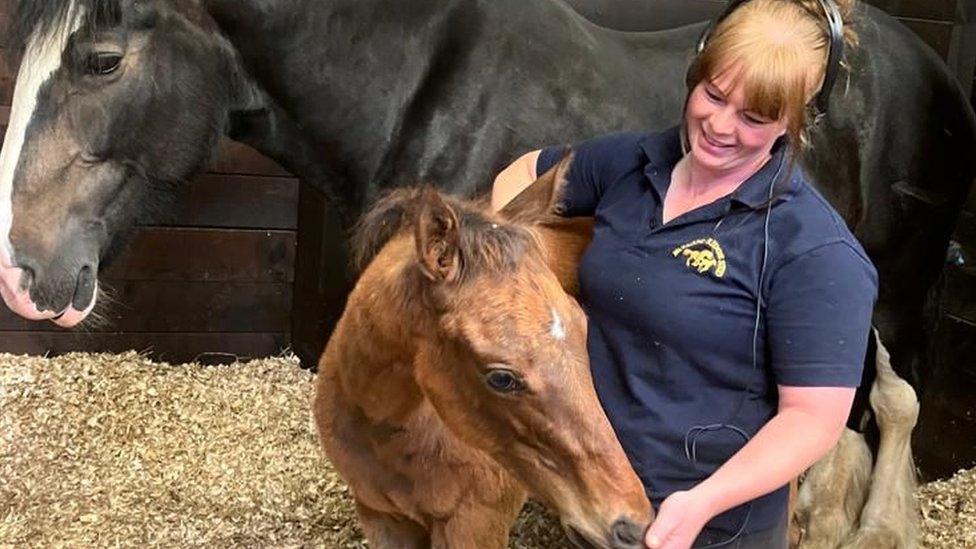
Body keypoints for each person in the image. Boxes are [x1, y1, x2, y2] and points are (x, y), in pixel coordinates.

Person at [491, 0, 876, 547]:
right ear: (695, 70)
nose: (719, 126)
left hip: (709, 524)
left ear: (794, 120)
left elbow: (812, 419)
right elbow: (526, 171)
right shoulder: (632, 162)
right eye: (713, 95)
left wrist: (703, 502)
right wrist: (512, 269)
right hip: (599, 492)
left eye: (754, 118)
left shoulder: (813, 249)